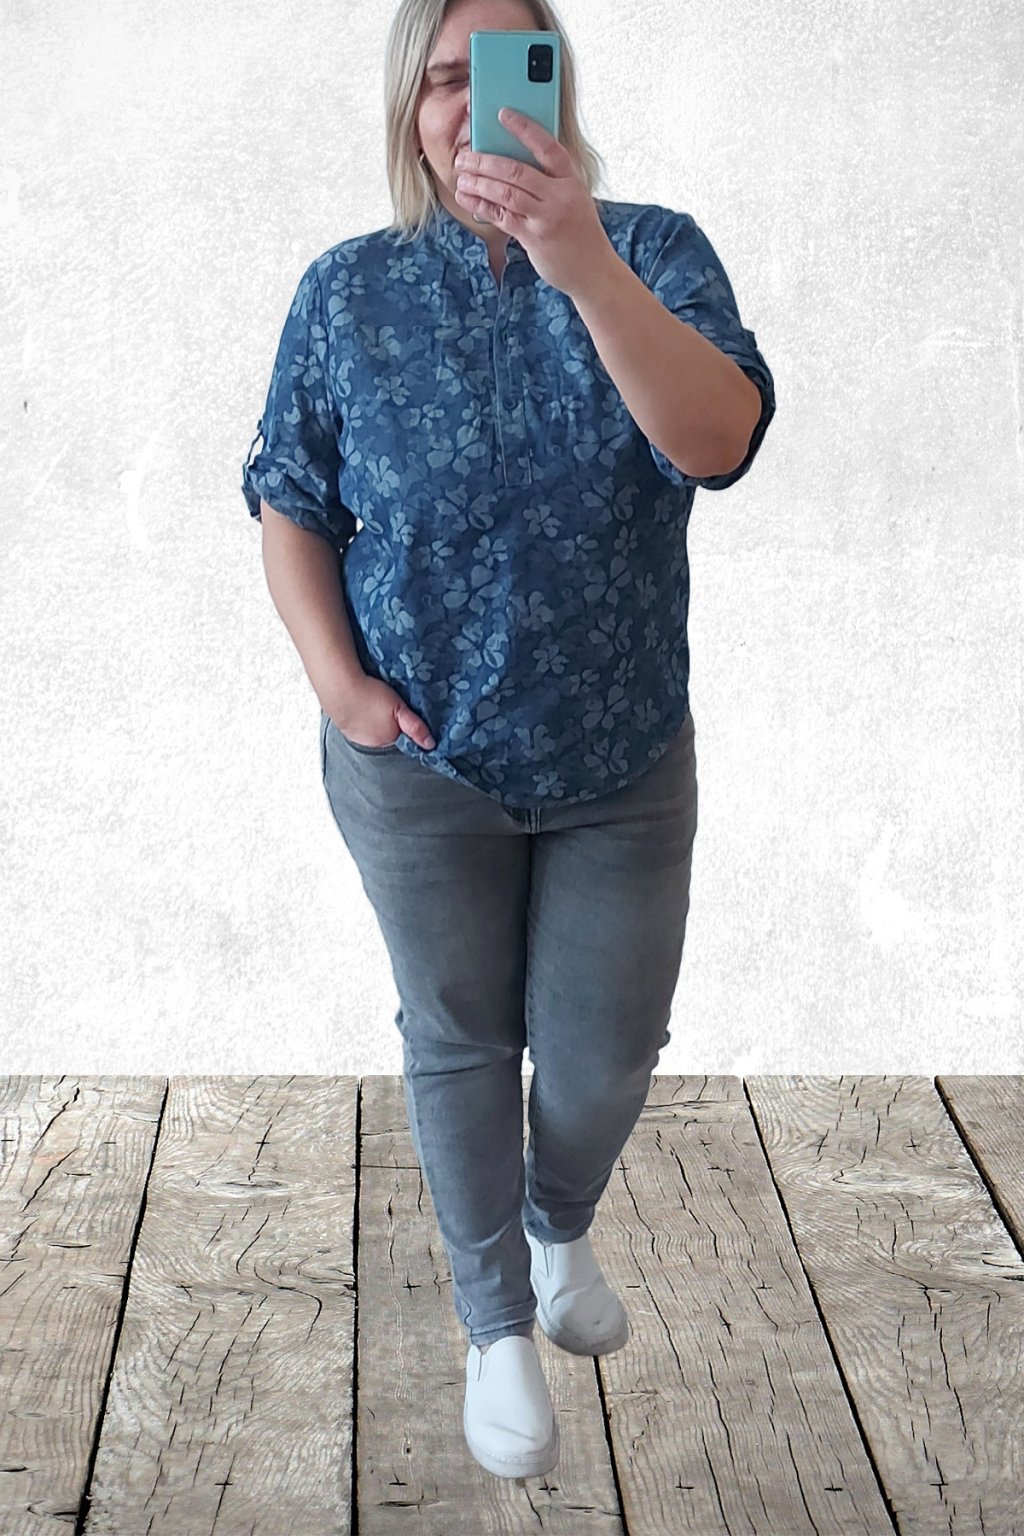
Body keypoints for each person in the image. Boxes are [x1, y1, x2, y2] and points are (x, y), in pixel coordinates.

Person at [241, 0, 775, 1482]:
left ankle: (557, 1228)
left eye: (503, 75)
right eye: (442, 82)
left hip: (619, 754)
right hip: (419, 765)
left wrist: (578, 258)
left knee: (605, 1054)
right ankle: (496, 1328)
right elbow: (291, 498)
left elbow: (717, 440)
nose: (471, 109)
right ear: (409, 114)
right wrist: (340, 688)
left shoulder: (653, 251)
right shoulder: (348, 291)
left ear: (557, 88)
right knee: (460, 1040)